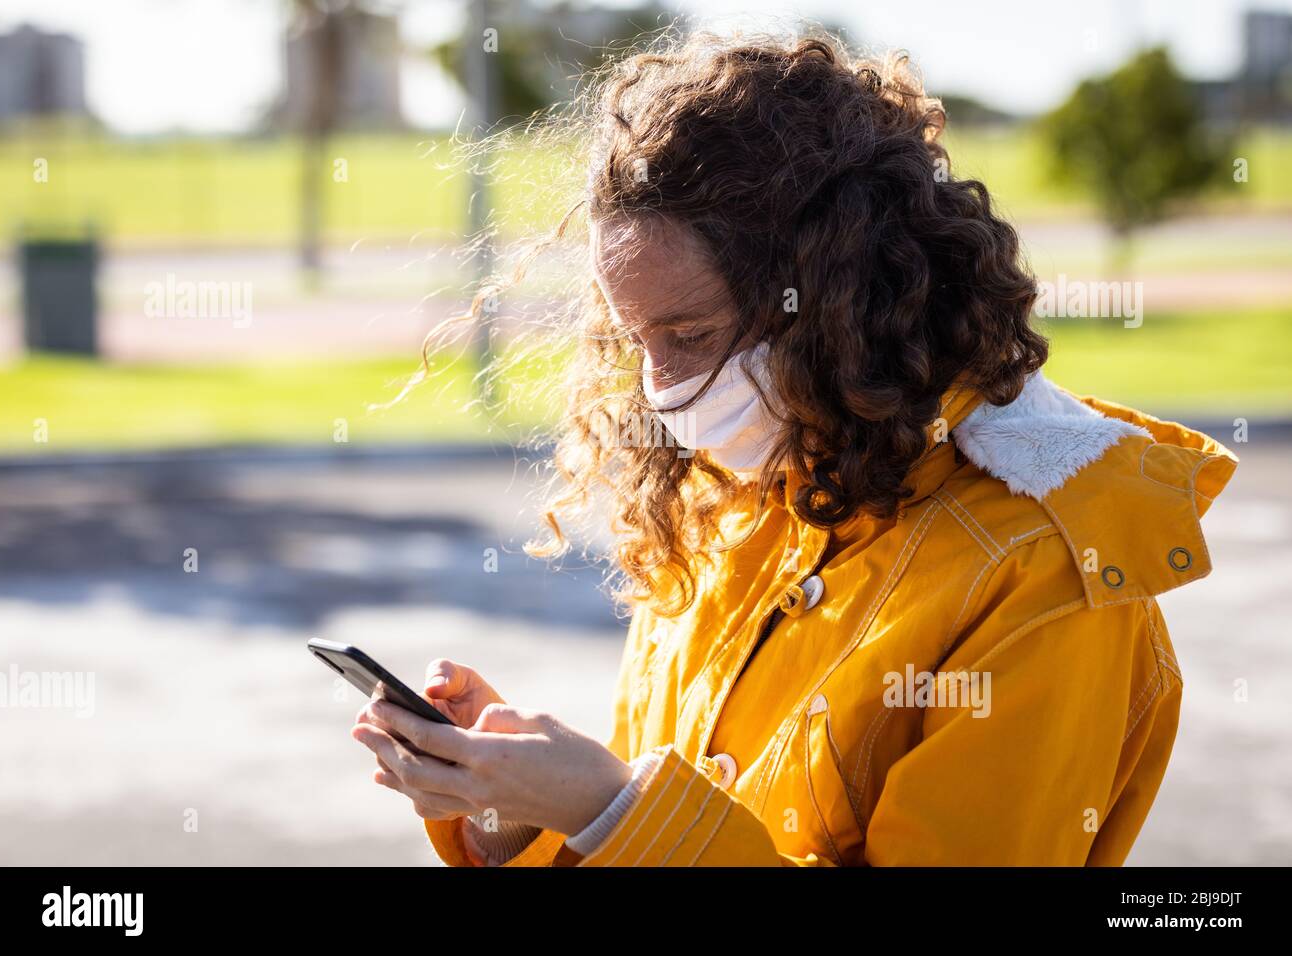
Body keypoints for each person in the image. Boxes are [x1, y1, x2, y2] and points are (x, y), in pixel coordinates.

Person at [351, 31, 1237, 866]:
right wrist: (519, 814)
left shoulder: (1043, 575)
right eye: (635, 341)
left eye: (689, 335)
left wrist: (611, 811)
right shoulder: (729, 492)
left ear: (839, 297)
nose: (660, 392)